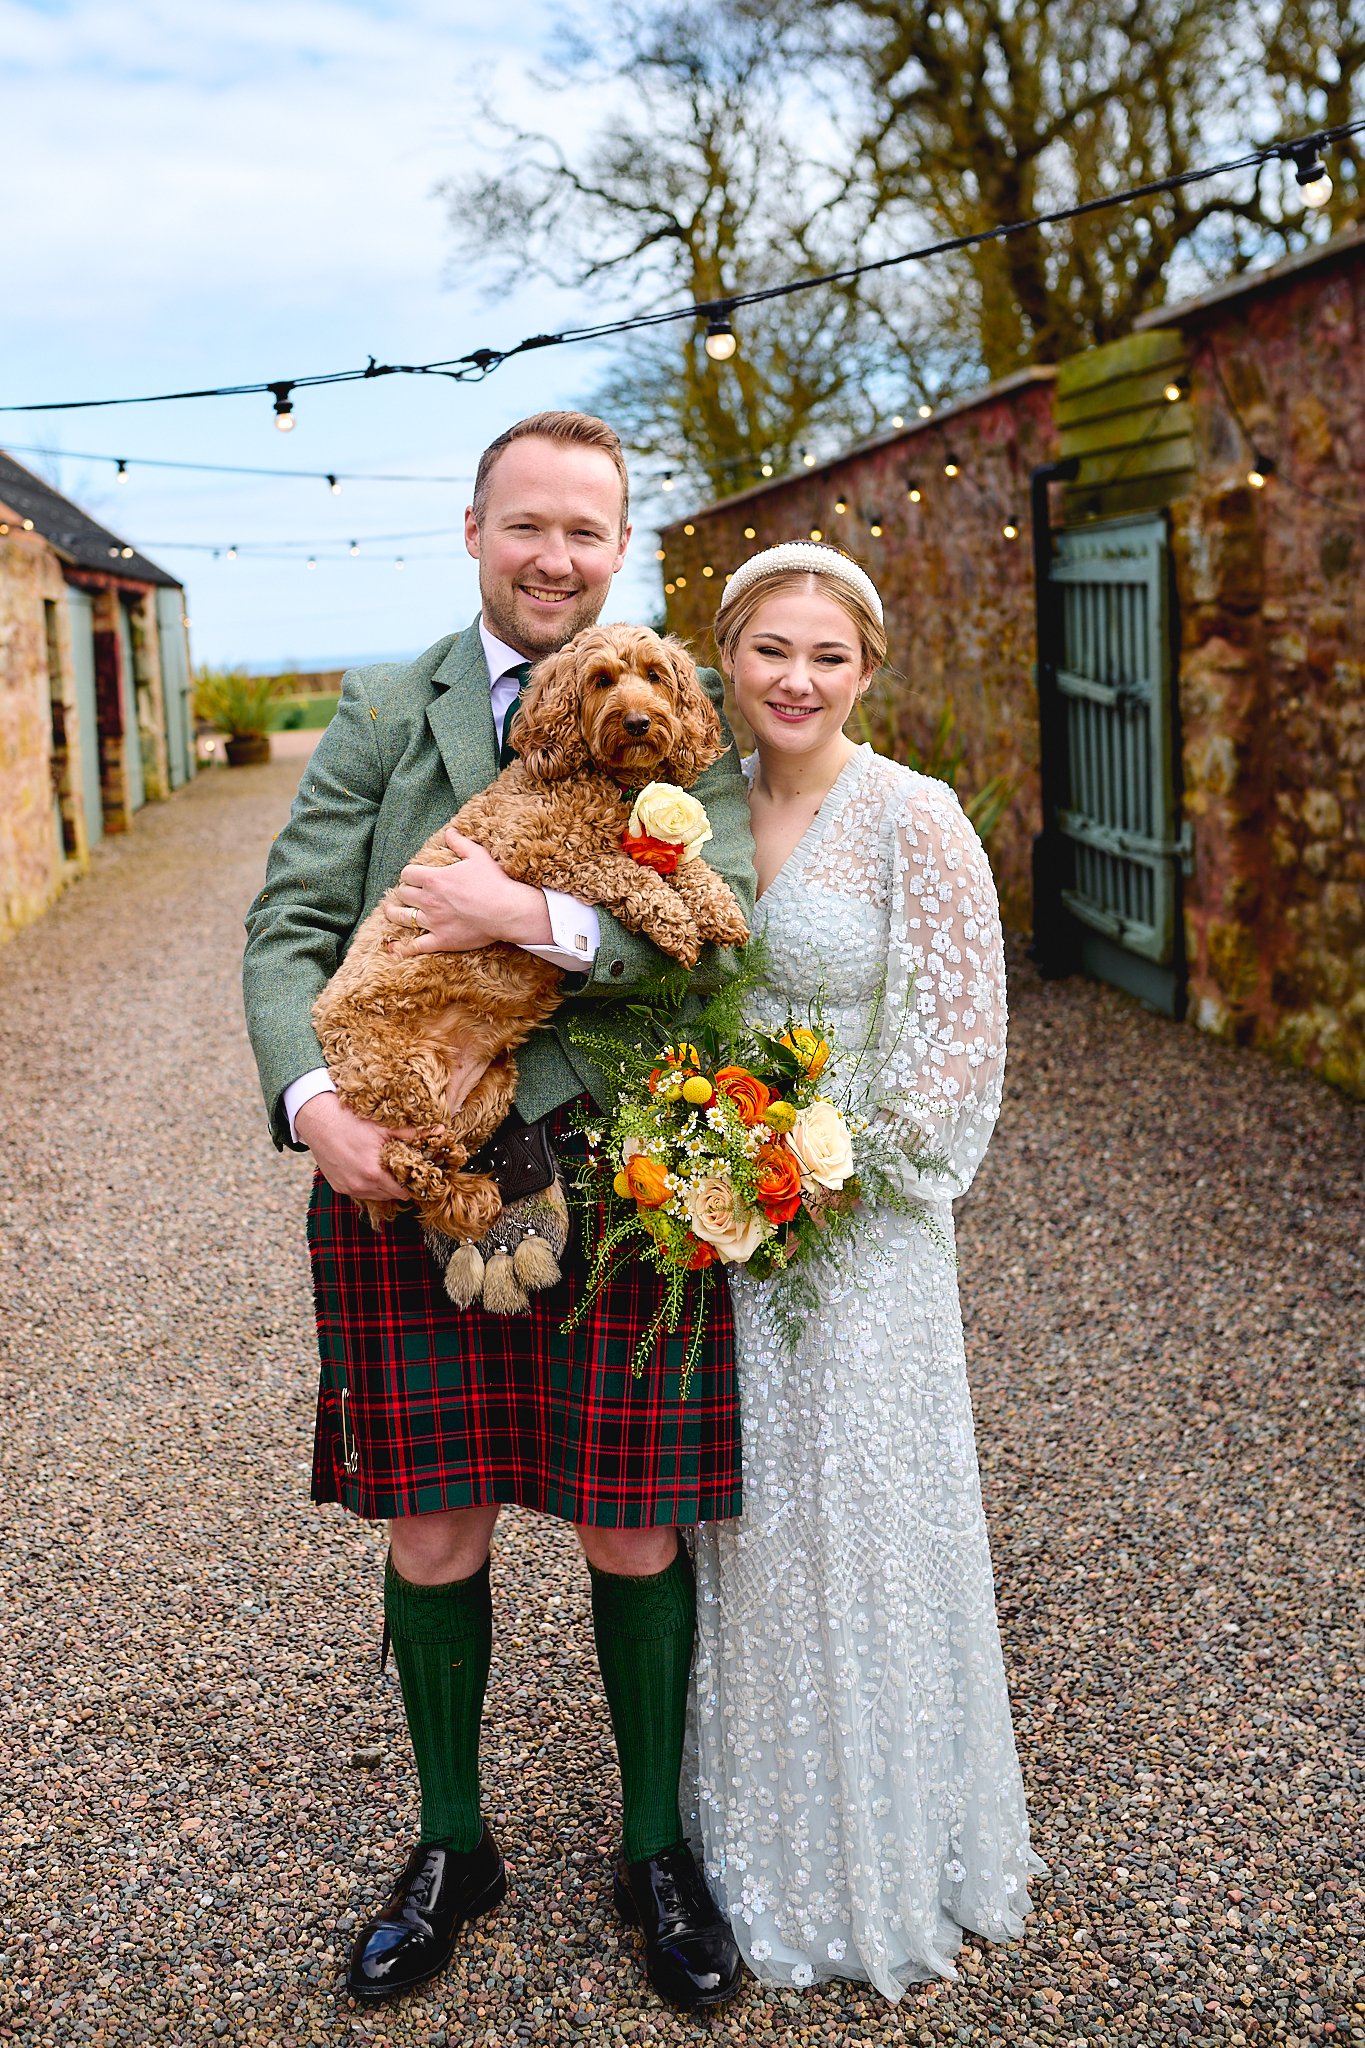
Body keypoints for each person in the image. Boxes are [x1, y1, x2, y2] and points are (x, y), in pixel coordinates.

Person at [241, 412, 752, 2013]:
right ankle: (454, 1844)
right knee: (435, 1514)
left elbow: (713, 919)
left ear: (622, 549)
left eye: (585, 533)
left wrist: (526, 910)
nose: (554, 558)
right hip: (409, 1161)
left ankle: (651, 1848)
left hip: (625, 1175)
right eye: (526, 526)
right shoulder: (394, 703)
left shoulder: (672, 707)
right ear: (475, 532)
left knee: (629, 1513)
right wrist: (312, 1109)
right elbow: (290, 925)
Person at [688, 542, 1044, 1999]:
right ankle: (748, 1841)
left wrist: (819, 1171)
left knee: (871, 1516)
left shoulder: (916, 816)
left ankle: (895, 1852)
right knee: (751, 1524)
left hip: (864, 1240)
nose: (797, 679)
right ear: (727, 654)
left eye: (827, 656)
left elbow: (962, 1045)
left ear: (865, 670)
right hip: (717, 1232)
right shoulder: (691, 817)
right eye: (772, 649)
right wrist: (710, 1164)